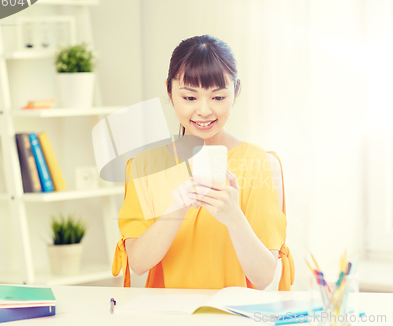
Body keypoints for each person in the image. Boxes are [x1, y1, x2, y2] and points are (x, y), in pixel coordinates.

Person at [112, 35, 294, 290]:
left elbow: (264, 278)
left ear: (236, 91)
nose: (205, 110)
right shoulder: (144, 167)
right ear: (169, 91)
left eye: (218, 98)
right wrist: (177, 209)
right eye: (190, 98)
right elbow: (139, 264)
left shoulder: (260, 164)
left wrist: (234, 217)